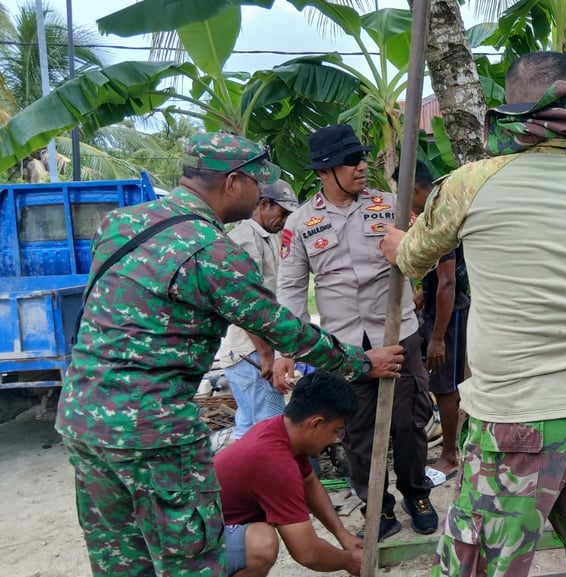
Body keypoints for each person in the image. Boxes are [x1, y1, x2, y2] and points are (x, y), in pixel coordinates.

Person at [54, 132, 405, 577]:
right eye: (259, 185)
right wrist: (361, 362)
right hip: (153, 431)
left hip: (83, 419)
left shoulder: (120, 223)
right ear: (234, 182)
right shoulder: (211, 250)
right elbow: (282, 327)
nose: (262, 195)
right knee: (191, 559)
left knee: (121, 558)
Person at [382, 51, 566, 576]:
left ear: (510, 114)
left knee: (485, 566)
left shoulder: (470, 185)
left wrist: (396, 244)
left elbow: (413, 258)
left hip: (515, 421)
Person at [275, 124, 437, 541]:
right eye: (352, 161)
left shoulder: (392, 207)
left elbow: (425, 261)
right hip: (343, 346)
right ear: (325, 171)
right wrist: (286, 350)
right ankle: (377, 505)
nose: (362, 166)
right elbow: (291, 288)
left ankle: (417, 494)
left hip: (398, 334)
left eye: (362, 157)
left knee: (409, 421)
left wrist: (408, 250)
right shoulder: (300, 223)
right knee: (356, 430)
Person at [215, 371, 364, 576]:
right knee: (261, 544)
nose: (334, 439)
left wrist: (343, 535)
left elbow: (309, 483)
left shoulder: (281, 430)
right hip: (186, 544)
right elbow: (307, 552)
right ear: (316, 423)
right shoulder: (275, 463)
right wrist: (349, 561)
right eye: (335, 430)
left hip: (211, 527)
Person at [393, 160, 470, 478]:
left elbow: (449, 281)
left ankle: (451, 455)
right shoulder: (434, 211)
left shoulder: (440, 216)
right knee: (439, 384)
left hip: (448, 315)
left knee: (446, 387)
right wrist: (425, 291)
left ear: (413, 190)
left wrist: (438, 336)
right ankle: (451, 449)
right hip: (439, 309)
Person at [219, 180, 301, 442]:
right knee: (270, 430)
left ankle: (236, 480)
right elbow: (244, 302)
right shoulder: (245, 238)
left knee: (249, 428)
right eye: (283, 213)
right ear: (264, 205)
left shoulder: (270, 237)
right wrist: (267, 354)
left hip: (252, 351)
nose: (285, 220)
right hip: (251, 352)